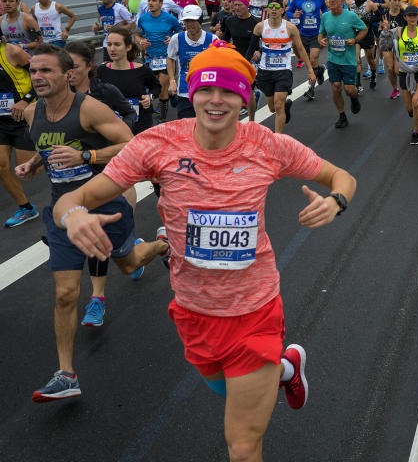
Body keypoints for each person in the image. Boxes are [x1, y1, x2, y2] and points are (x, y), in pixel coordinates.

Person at [50, 40, 356, 458]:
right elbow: (73, 198)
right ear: (191, 93)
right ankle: (285, 368)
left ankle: (273, 365)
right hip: (193, 309)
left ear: (245, 97)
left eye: (229, 91)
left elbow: (342, 176)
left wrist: (334, 202)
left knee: (244, 444)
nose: (216, 101)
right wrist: (76, 217)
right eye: (206, 90)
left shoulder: (266, 144)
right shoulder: (157, 144)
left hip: (255, 309)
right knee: (222, 384)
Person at [15, 44, 168, 402]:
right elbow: (48, 146)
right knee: (66, 292)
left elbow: (131, 144)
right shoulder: (32, 112)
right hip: (63, 212)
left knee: (128, 262)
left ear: (67, 74)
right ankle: (66, 374)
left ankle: (163, 245)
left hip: (104, 204)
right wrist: (34, 165)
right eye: (34, 71)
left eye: (47, 71)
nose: (38, 77)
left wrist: (88, 155)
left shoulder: (90, 108)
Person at [64, 40, 140, 328]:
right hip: (79, 178)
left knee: (127, 256)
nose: (68, 73)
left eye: (73, 67)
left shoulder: (105, 92)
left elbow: (129, 115)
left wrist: (119, 131)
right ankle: (97, 300)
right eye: (65, 67)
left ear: (88, 67)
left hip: (114, 171)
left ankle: (154, 247)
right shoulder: (60, 98)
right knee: (97, 240)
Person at [247, 0, 315, 134]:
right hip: (265, 71)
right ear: (267, 9)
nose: (273, 10)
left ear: (282, 10)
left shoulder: (290, 28)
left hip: (283, 70)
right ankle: (285, 109)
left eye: (277, 7)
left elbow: (301, 49)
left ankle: (278, 139)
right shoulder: (260, 27)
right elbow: (251, 49)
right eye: (271, 7)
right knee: (272, 108)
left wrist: (310, 70)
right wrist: (242, 66)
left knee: (278, 106)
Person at [0, 40, 39, 227]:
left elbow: (40, 75)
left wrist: (26, 101)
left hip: (23, 116)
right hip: (1, 120)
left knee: (26, 169)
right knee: (1, 165)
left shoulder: (12, 51)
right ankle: (26, 207)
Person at [318, 0, 367, 128]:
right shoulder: (325, 16)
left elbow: (364, 29)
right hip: (333, 59)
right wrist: (321, 40)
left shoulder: (351, 16)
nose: (331, 1)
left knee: (349, 89)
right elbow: (321, 33)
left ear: (341, 1)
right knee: (335, 87)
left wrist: (355, 40)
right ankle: (342, 116)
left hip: (348, 60)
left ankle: (354, 97)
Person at [98, 27, 159, 134]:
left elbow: (156, 88)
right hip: (112, 125)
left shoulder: (142, 70)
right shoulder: (101, 70)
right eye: (109, 44)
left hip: (139, 123)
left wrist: (149, 97)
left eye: (117, 44)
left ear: (128, 47)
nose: (112, 49)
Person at [137, 0, 183, 122]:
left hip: (165, 58)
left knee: (162, 86)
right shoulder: (143, 19)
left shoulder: (169, 18)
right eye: (149, 0)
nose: (151, 3)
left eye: (154, 1)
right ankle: (168, 97)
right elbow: (137, 34)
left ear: (161, 4)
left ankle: (162, 118)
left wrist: (172, 38)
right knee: (151, 87)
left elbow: (181, 32)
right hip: (149, 58)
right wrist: (141, 41)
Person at [390, 5, 418, 144]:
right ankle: (415, 115)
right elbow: (391, 47)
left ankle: (415, 132)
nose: (412, 18)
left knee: (416, 103)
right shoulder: (398, 32)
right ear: (405, 17)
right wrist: (384, 31)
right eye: (410, 15)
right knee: (409, 108)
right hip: (405, 71)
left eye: (415, 15)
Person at [168, 5, 215, 120]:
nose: (188, 24)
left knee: (207, 127)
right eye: (186, 21)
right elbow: (170, 58)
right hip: (184, 92)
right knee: (186, 130)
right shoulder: (176, 39)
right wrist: (172, 80)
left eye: (192, 21)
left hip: (206, 92)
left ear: (200, 20)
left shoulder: (213, 40)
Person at [220, 0, 261, 121]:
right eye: (235, 5)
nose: (236, 7)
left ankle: (251, 121)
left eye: (239, 5)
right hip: (234, 59)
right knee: (234, 91)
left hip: (249, 60)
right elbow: (224, 40)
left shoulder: (255, 22)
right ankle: (234, 122)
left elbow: (260, 42)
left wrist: (259, 51)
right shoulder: (229, 21)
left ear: (247, 6)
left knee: (248, 91)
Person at [286, 0, 328, 98]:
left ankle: (311, 89)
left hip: (316, 34)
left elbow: (325, 10)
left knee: (313, 60)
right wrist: (293, 15)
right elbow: (288, 11)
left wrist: (323, 15)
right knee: (307, 60)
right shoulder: (297, 0)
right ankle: (320, 69)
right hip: (302, 34)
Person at [378, 0, 404, 100]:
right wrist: (384, 28)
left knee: (397, 71)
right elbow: (379, 29)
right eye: (394, 0)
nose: (397, 3)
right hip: (388, 43)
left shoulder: (404, 14)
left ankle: (408, 85)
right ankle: (395, 89)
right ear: (390, 1)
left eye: (398, 0)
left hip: (400, 44)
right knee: (389, 68)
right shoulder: (385, 14)